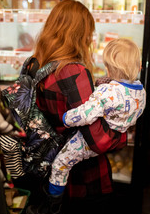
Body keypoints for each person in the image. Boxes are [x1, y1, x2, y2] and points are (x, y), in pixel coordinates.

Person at [26, 0, 127, 214]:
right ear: (78, 34)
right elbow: (98, 140)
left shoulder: (35, 64)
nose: (90, 39)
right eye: (88, 33)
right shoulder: (72, 71)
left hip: (52, 172)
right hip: (84, 180)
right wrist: (123, 133)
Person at [47, 38, 146, 198]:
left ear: (109, 67)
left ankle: (53, 199)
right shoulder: (141, 91)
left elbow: (86, 115)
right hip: (115, 136)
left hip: (88, 142)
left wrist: (66, 118)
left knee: (61, 162)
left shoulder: (108, 91)